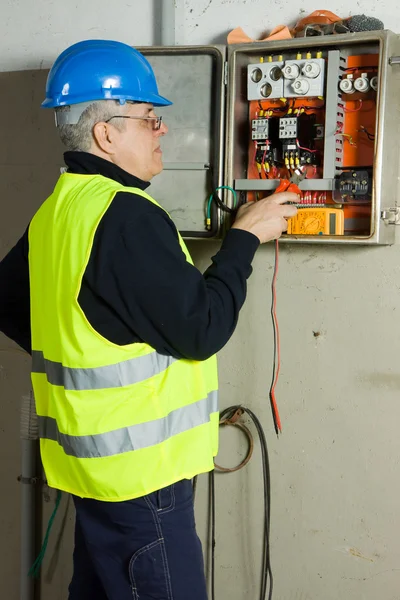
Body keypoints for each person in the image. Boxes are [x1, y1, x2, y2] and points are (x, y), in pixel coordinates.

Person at [0, 40, 297, 600]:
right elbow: (201, 330)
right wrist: (244, 238)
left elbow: (10, 302)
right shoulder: (126, 214)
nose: (162, 130)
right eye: (149, 118)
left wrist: (100, 336)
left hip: (91, 472)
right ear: (106, 133)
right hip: (143, 481)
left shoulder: (60, 208)